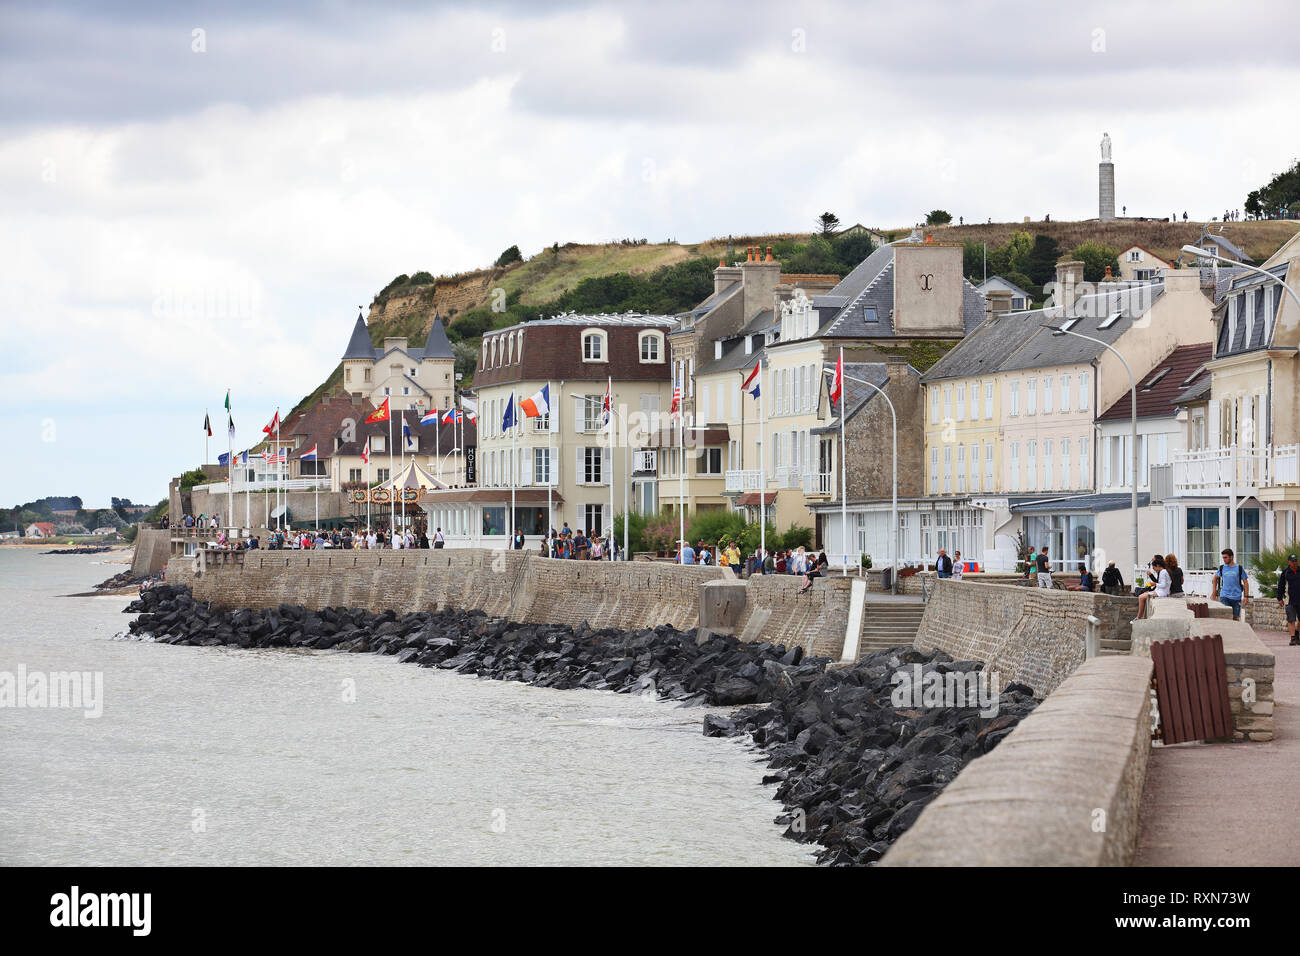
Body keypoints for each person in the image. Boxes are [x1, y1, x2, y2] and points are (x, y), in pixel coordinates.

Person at [1212, 548, 1250, 621]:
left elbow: (1245, 582)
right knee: (1226, 618)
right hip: (1224, 596)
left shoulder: (1239, 568)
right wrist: (1214, 592)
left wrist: (1246, 596)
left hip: (1236, 597)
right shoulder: (1222, 568)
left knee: (1235, 618)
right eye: (1223, 558)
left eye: (1225, 557)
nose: (1224, 559)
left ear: (1231, 557)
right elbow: (1215, 579)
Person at [1276, 553, 1300, 646]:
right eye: (1293, 561)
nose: (1295, 563)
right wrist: (1279, 598)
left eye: (1296, 561)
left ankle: (1297, 634)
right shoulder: (1285, 572)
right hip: (1289, 600)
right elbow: (1281, 586)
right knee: (1291, 619)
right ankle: (1293, 638)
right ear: (1289, 562)